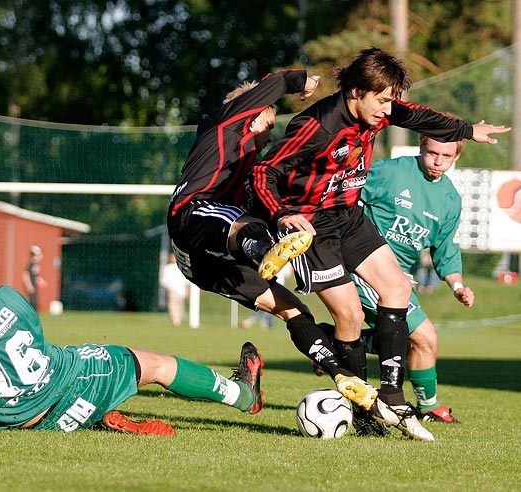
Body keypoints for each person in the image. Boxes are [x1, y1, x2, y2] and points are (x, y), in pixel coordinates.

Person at [251, 47, 509, 440]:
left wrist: (467, 130)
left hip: (349, 216)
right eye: (384, 100)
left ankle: (391, 390)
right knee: (351, 317)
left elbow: (419, 115)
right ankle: (365, 409)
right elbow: (265, 170)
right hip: (313, 227)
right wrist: (282, 214)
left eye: (392, 100)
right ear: (357, 91)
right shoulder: (316, 125)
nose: (390, 110)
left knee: (398, 287)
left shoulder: (378, 110)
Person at [0, 244, 264, 435]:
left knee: (83, 378)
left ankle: (95, 415)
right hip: (77, 378)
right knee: (157, 365)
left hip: (43, 423)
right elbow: (33, 339)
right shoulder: (6, 298)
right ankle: (245, 396)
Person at [167, 69, 382, 418]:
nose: (270, 136)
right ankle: (263, 250)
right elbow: (274, 83)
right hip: (192, 217)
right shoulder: (222, 128)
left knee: (294, 310)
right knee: (240, 221)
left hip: (208, 265)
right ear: (252, 118)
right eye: (267, 125)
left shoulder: (255, 175)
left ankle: (339, 374)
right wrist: (301, 81)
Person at [353, 131, 475, 424]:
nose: (438, 161)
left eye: (447, 156)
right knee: (423, 333)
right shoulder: (390, 172)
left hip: (402, 280)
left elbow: (445, 250)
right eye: (432, 153)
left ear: (456, 156)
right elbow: (346, 197)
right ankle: (425, 406)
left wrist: (457, 286)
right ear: (421, 147)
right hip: (365, 266)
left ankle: (335, 343)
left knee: (417, 342)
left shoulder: (449, 200)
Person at [160, 253, 190, 327]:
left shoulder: (169, 268)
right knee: (176, 304)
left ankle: (176, 319)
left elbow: (163, 280)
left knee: (175, 305)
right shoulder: (178, 268)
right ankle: (176, 319)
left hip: (175, 289)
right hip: (176, 289)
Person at [22, 245, 47, 310]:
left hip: (34, 285)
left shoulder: (35, 264)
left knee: (35, 302)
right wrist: (29, 285)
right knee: (33, 302)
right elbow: (25, 274)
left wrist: (40, 281)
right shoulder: (31, 264)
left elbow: (34, 276)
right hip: (31, 286)